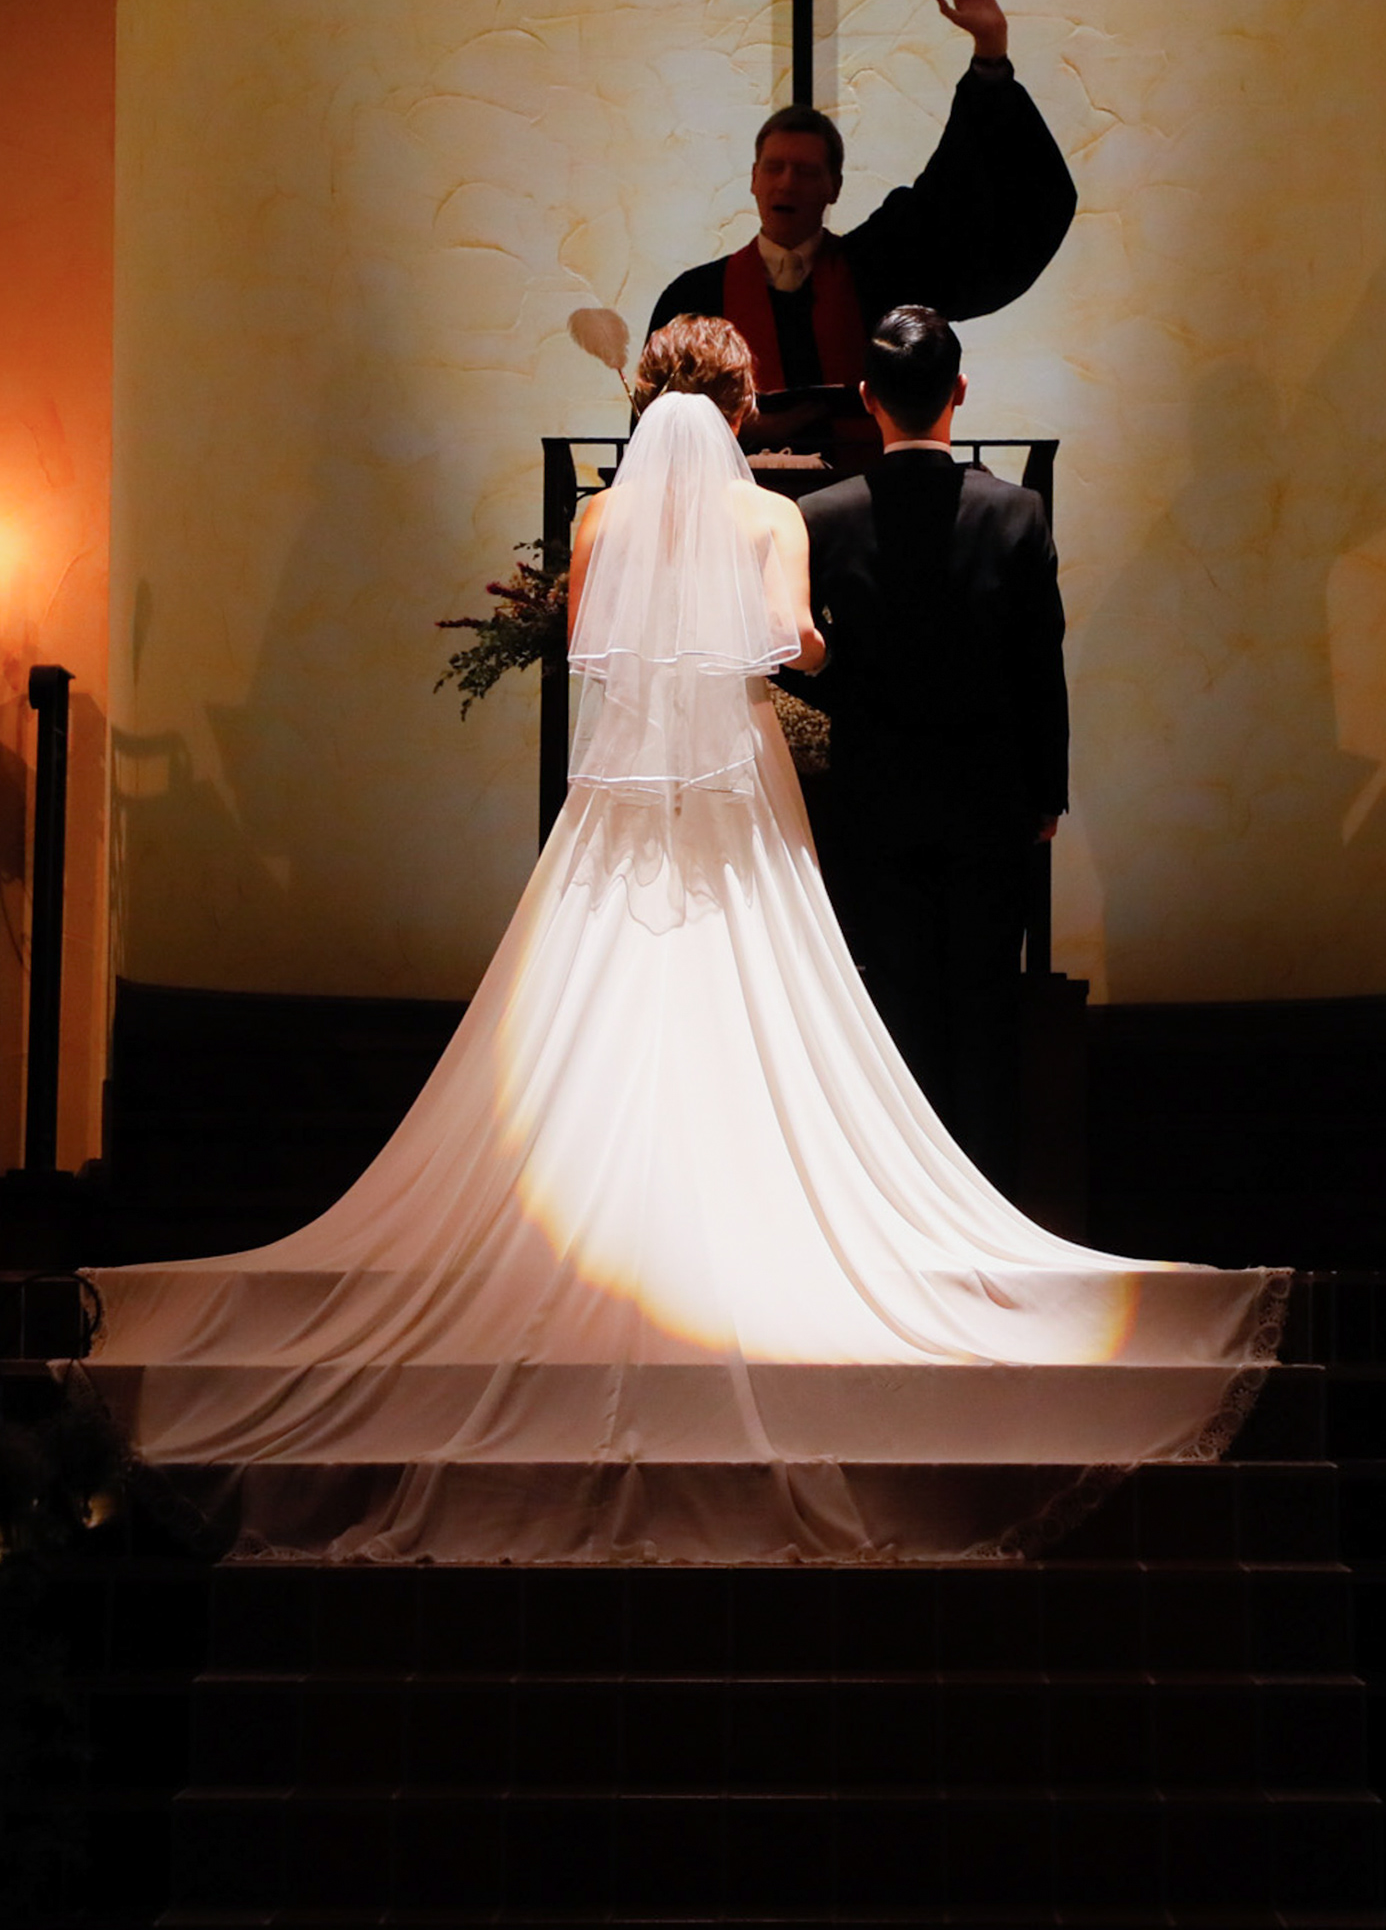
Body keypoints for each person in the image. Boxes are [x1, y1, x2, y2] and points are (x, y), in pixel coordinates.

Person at [80, 317, 1280, 1564]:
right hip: (738, 768)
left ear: (648, 398)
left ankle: (590, 1218)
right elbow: (797, 646)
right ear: (744, 406)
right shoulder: (772, 518)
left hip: (625, 777)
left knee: (596, 986)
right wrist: (815, 648)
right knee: (767, 982)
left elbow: (586, 644)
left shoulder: (601, 517)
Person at [789, 305, 1067, 1190]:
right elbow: (1040, 665)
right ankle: (988, 1201)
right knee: (986, 1008)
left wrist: (849, 689)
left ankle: (900, 1198)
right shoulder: (1016, 512)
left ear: (866, 397)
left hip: (871, 799)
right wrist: (1047, 795)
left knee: (892, 1004)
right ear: (960, 390)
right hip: (991, 800)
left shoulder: (822, 516)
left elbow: (789, 652)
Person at [644, 0, 1075, 449]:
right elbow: (658, 435)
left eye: (807, 171)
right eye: (775, 168)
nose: (787, 184)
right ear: (754, 179)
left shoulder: (885, 270)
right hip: (734, 500)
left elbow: (961, 193)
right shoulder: (695, 304)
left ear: (834, 187)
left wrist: (990, 56)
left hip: (868, 497)